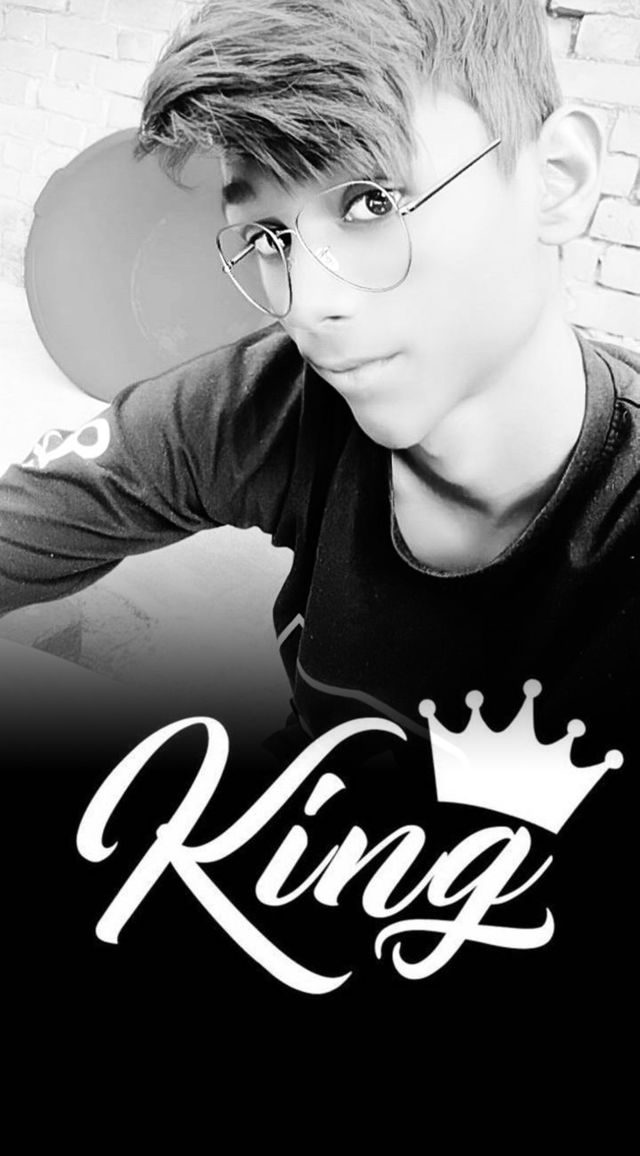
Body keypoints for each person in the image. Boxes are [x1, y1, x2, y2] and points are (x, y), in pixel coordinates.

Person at [0, 0, 637, 1002]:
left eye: (372, 201)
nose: (307, 300)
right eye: (266, 233)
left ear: (555, 179)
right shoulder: (270, 405)